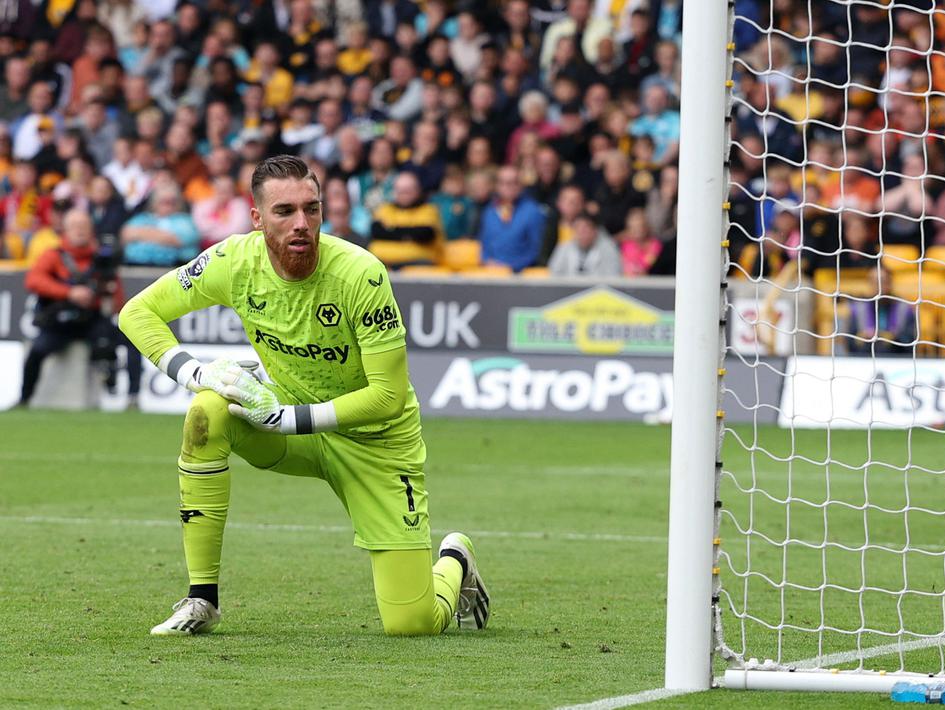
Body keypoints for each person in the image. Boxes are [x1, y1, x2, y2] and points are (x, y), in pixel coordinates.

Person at [117, 155, 489, 637]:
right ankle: (201, 599)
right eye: (284, 211)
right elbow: (137, 312)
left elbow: (389, 397)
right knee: (208, 409)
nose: (301, 224)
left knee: (411, 624)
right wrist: (195, 372)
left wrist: (286, 417)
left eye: (311, 210)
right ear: (257, 218)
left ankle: (454, 559)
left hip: (375, 443)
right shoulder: (234, 261)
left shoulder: (361, 275)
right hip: (290, 422)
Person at [19, 209, 142, 407]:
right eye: (75, 227)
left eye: (84, 226)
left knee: (132, 340)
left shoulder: (103, 258)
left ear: (91, 230)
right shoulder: (54, 255)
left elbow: (117, 297)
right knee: (37, 351)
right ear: (65, 230)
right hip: (61, 321)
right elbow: (33, 281)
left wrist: (100, 299)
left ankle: (133, 397)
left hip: (92, 320)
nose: (80, 231)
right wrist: (69, 293)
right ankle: (24, 399)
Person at [548, 212, 622, 277]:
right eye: (578, 229)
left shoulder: (608, 248)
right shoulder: (564, 247)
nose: (582, 233)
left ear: (595, 230)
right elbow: (554, 274)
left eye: (585, 229)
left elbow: (614, 276)